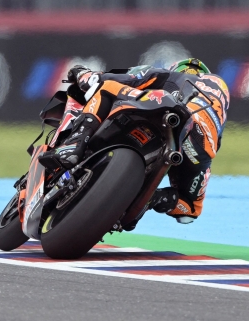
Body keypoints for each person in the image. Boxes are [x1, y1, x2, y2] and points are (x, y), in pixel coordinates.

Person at [39, 58, 229, 224]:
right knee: (190, 204)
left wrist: (81, 73)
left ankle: (74, 145)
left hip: (164, 111)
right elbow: (188, 213)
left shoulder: (169, 76)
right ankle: (143, 200)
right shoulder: (215, 119)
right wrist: (158, 198)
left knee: (105, 89)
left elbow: (109, 80)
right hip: (200, 147)